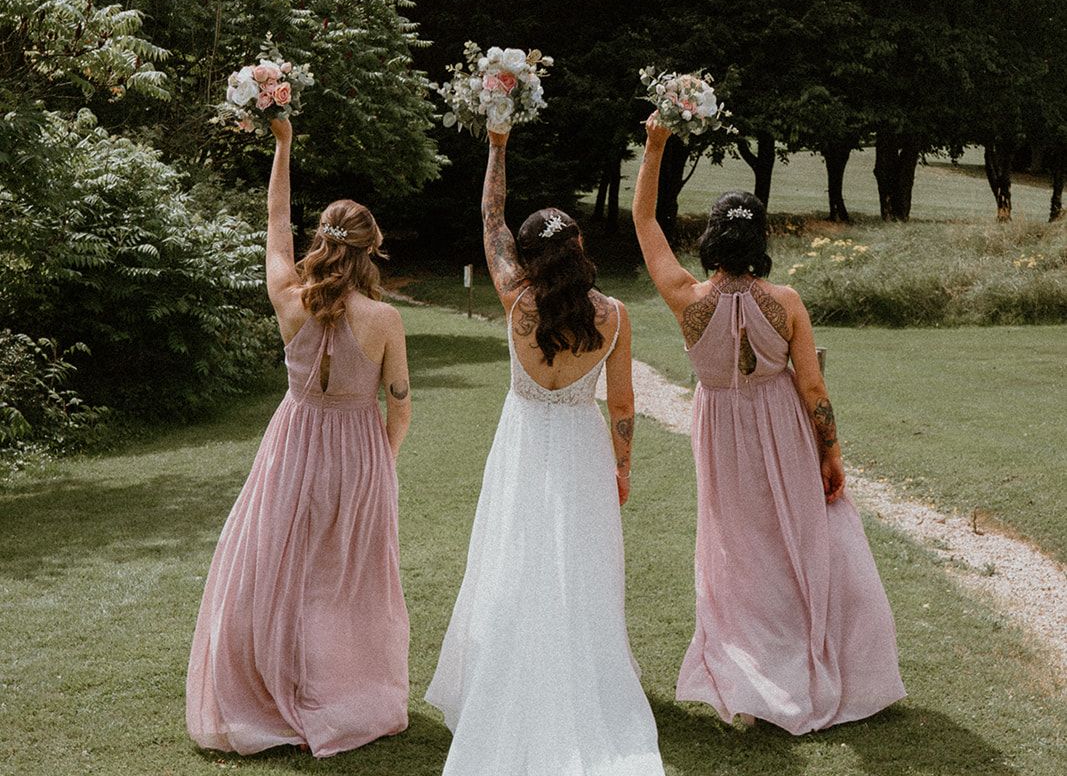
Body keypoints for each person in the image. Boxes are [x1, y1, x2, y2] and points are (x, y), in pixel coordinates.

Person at [632, 115, 905, 734]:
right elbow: (812, 387)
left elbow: (644, 223)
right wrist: (830, 453)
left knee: (739, 551)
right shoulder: (785, 303)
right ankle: (811, 659)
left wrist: (654, 147)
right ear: (757, 242)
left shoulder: (686, 299)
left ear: (708, 242)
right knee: (798, 540)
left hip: (720, 434)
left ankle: (754, 669)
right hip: (782, 429)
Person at [425, 127, 666, 775]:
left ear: (528, 257)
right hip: (581, 446)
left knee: (515, 553)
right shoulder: (613, 314)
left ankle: (505, 669)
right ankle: (575, 673)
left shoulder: (514, 298)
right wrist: (621, 466)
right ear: (580, 248)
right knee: (580, 561)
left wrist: (498, 145)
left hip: (523, 441)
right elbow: (620, 405)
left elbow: (489, 216)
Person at [186, 118, 412, 757]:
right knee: (343, 576)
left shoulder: (289, 296)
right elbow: (399, 406)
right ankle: (337, 691)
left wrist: (283, 144)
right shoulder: (386, 318)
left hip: (292, 443)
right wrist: (383, 463)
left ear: (323, 241)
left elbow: (275, 219)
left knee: (281, 566)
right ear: (371, 250)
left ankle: (273, 683)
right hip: (358, 451)